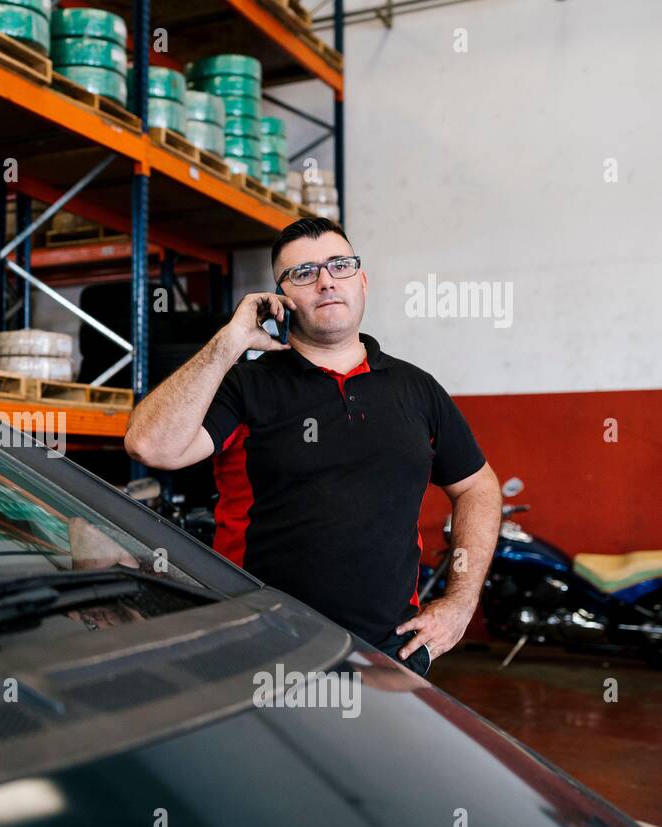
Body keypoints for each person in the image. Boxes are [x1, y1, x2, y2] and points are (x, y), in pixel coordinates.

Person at [124, 217, 501, 677]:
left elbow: (477, 486)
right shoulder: (246, 386)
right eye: (303, 273)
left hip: (390, 656)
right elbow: (149, 446)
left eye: (339, 266)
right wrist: (231, 341)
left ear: (361, 281)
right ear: (280, 299)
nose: (325, 281)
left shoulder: (416, 389)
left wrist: (460, 603)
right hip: (260, 648)